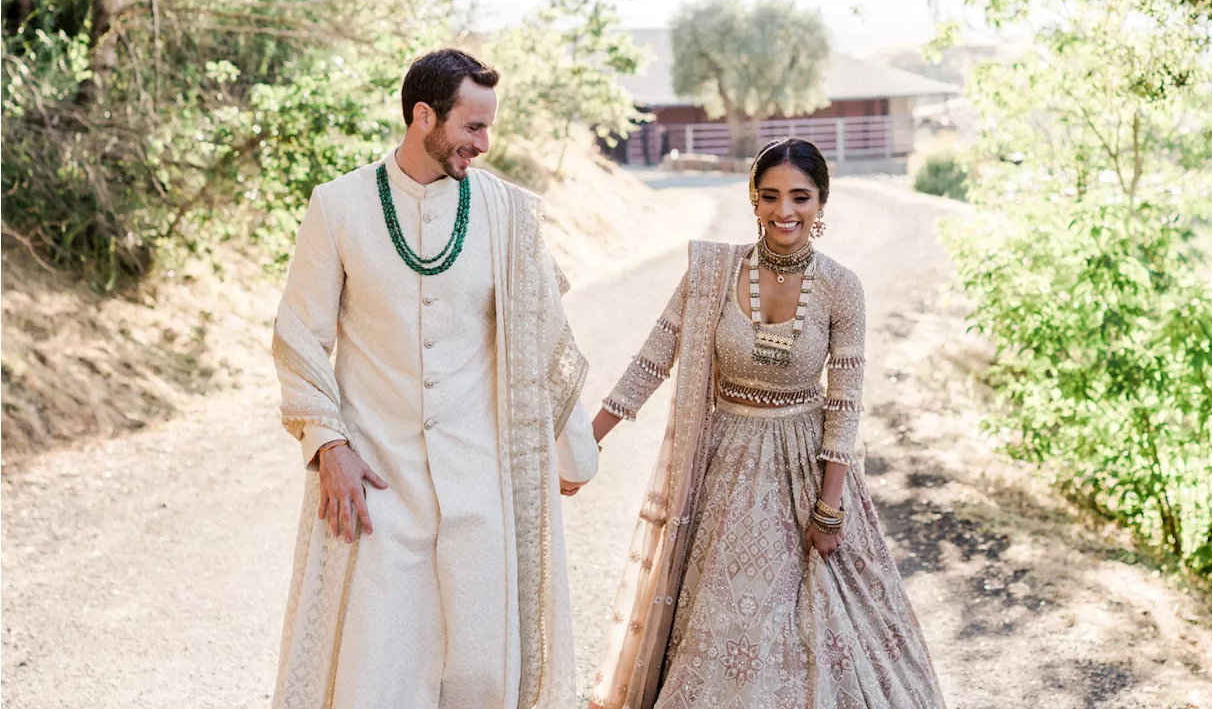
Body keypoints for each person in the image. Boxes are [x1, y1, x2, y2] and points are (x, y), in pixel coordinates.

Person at [269, 48, 598, 709]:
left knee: (479, 676)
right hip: (378, 483)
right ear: (425, 116)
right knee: (379, 670)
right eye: (473, 127)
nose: (484, 142)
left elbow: (545, 340)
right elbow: (299, 335)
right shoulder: (338, 206)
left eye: (488, 127)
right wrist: (327, 446)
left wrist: (571, 454)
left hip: (482, 483)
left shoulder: (510, 214)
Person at [586, 138, 947, 708]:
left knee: (804, 620)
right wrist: (589, 438)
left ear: (822, 202)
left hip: (805, 470)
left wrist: (830, 509)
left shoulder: (840, 287)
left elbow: (845, 402)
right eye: (771, 196)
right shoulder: (713, 273)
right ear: (753, 201)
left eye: (800, 197)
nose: (785, 211)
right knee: (724, 616)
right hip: (723, 472)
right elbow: (656, 355)